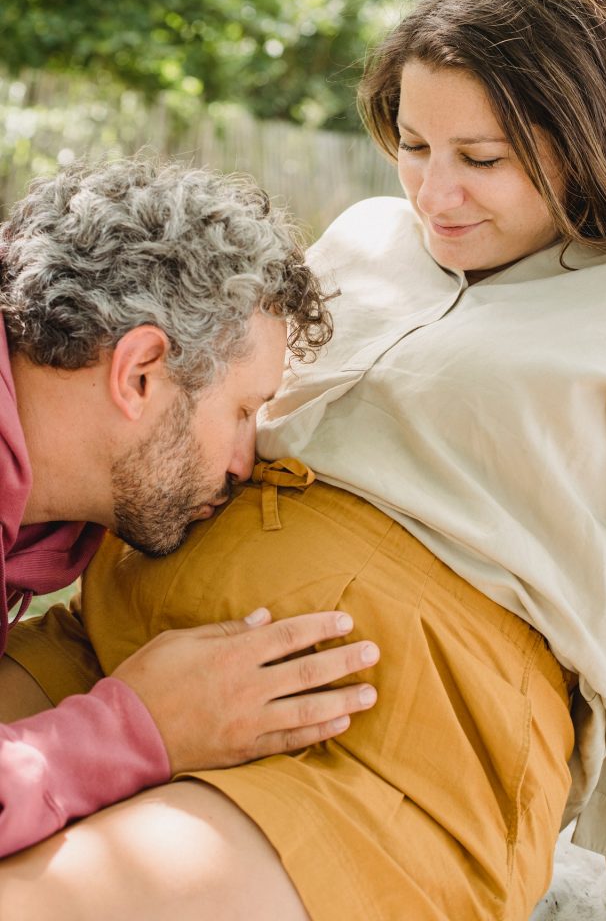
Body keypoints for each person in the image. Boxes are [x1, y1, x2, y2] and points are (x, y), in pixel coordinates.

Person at [2, 0, 606, 919]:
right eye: (412, 146)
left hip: (365, 725)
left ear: (577, 138)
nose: (433, 194)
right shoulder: (367, 233)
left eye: (480, 159)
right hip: (124, 633)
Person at [0, 156, 380, 859]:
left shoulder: (48, 524)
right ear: (139, 373)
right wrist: (134, 731)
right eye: (242, 410)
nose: (248, 460)